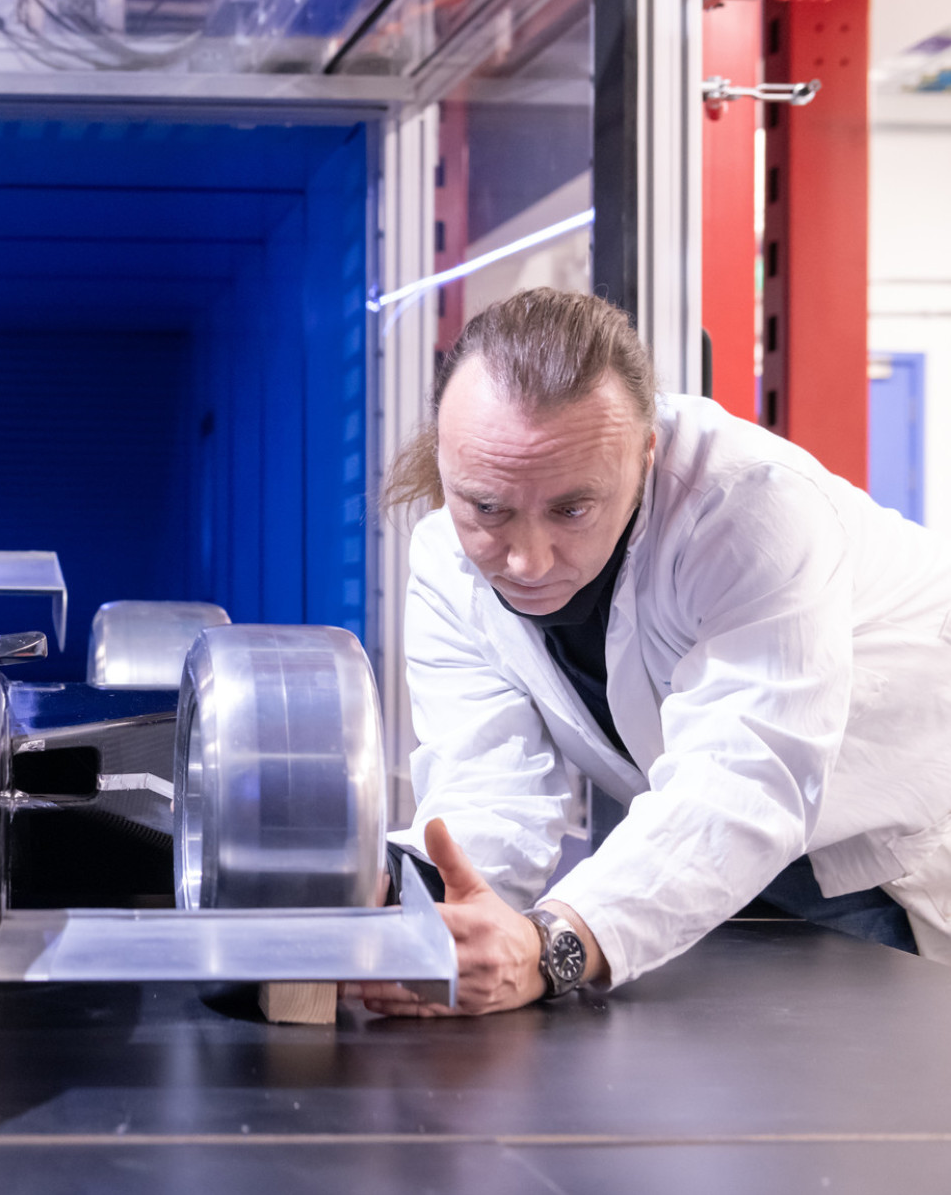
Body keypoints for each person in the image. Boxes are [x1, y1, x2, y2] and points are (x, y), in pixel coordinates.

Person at [351, 288, 951, 1018]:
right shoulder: (446, 559)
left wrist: (551, 945)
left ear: (645, 453)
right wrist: (394, 891)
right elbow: (491, 788)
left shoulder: (752, 511)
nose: (528, 561)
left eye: (572, 509)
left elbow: (745, 778)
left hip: (881, 858)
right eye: (488, 507)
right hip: (705, 866)